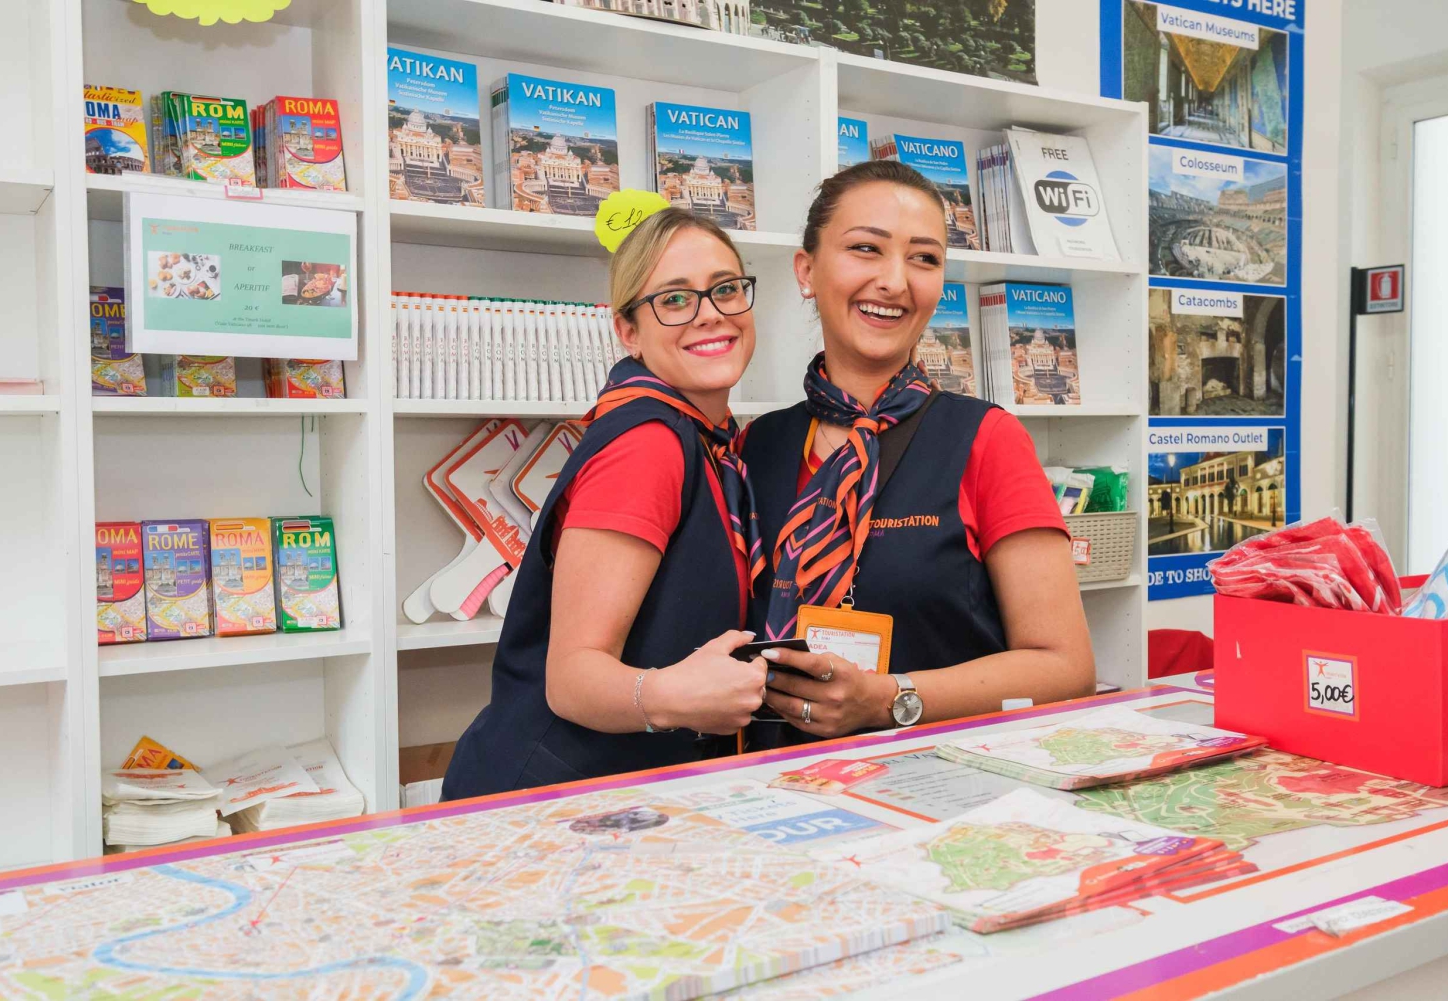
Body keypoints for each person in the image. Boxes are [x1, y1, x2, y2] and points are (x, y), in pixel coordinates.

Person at [741, 160, 1095, 748]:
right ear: (806, 270)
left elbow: (1065, 665)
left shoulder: (986, 438)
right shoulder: (757, 445)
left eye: (924, 258)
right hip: (775, 784)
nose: (895, 281)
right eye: (865, 249)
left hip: (941, 784)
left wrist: (890, 699)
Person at [442, 208, 768, 799]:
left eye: (725, 289)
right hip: (549, 800)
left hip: (614, 793)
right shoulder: (649, 444)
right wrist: (680, 696)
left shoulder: (708, 438)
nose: (711, 314)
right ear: (627, 330)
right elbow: (573, 680)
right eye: (674, 300)